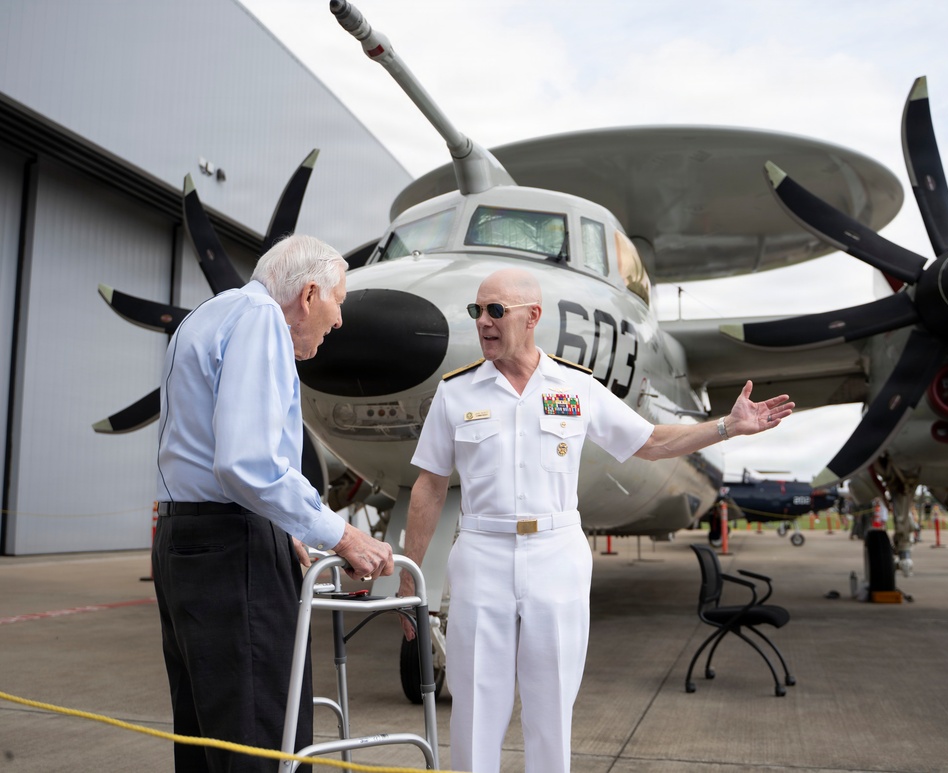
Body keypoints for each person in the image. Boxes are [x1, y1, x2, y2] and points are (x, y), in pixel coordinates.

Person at [397, 267, 794, 773]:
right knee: (474, 710)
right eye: (478, 311)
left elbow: (650, 442)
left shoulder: (576, 387)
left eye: (496, 310)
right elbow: (429, 485)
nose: (483, 322)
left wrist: (726, 427)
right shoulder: (457, 393)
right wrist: (410, 572)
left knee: (551, 709)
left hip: (556, 558)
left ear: (532, 316)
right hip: (481, 556)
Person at [152, 234, 394, 772]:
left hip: (185, 542)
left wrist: (284, 525)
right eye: (339, 304)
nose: (337, 324)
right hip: (230, 547)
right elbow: (248, 464)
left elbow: (215, 453)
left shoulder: (210, 315)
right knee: (260, 735)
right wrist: (344, 534)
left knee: (208, 735)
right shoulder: (262, 321)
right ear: (309, 295)